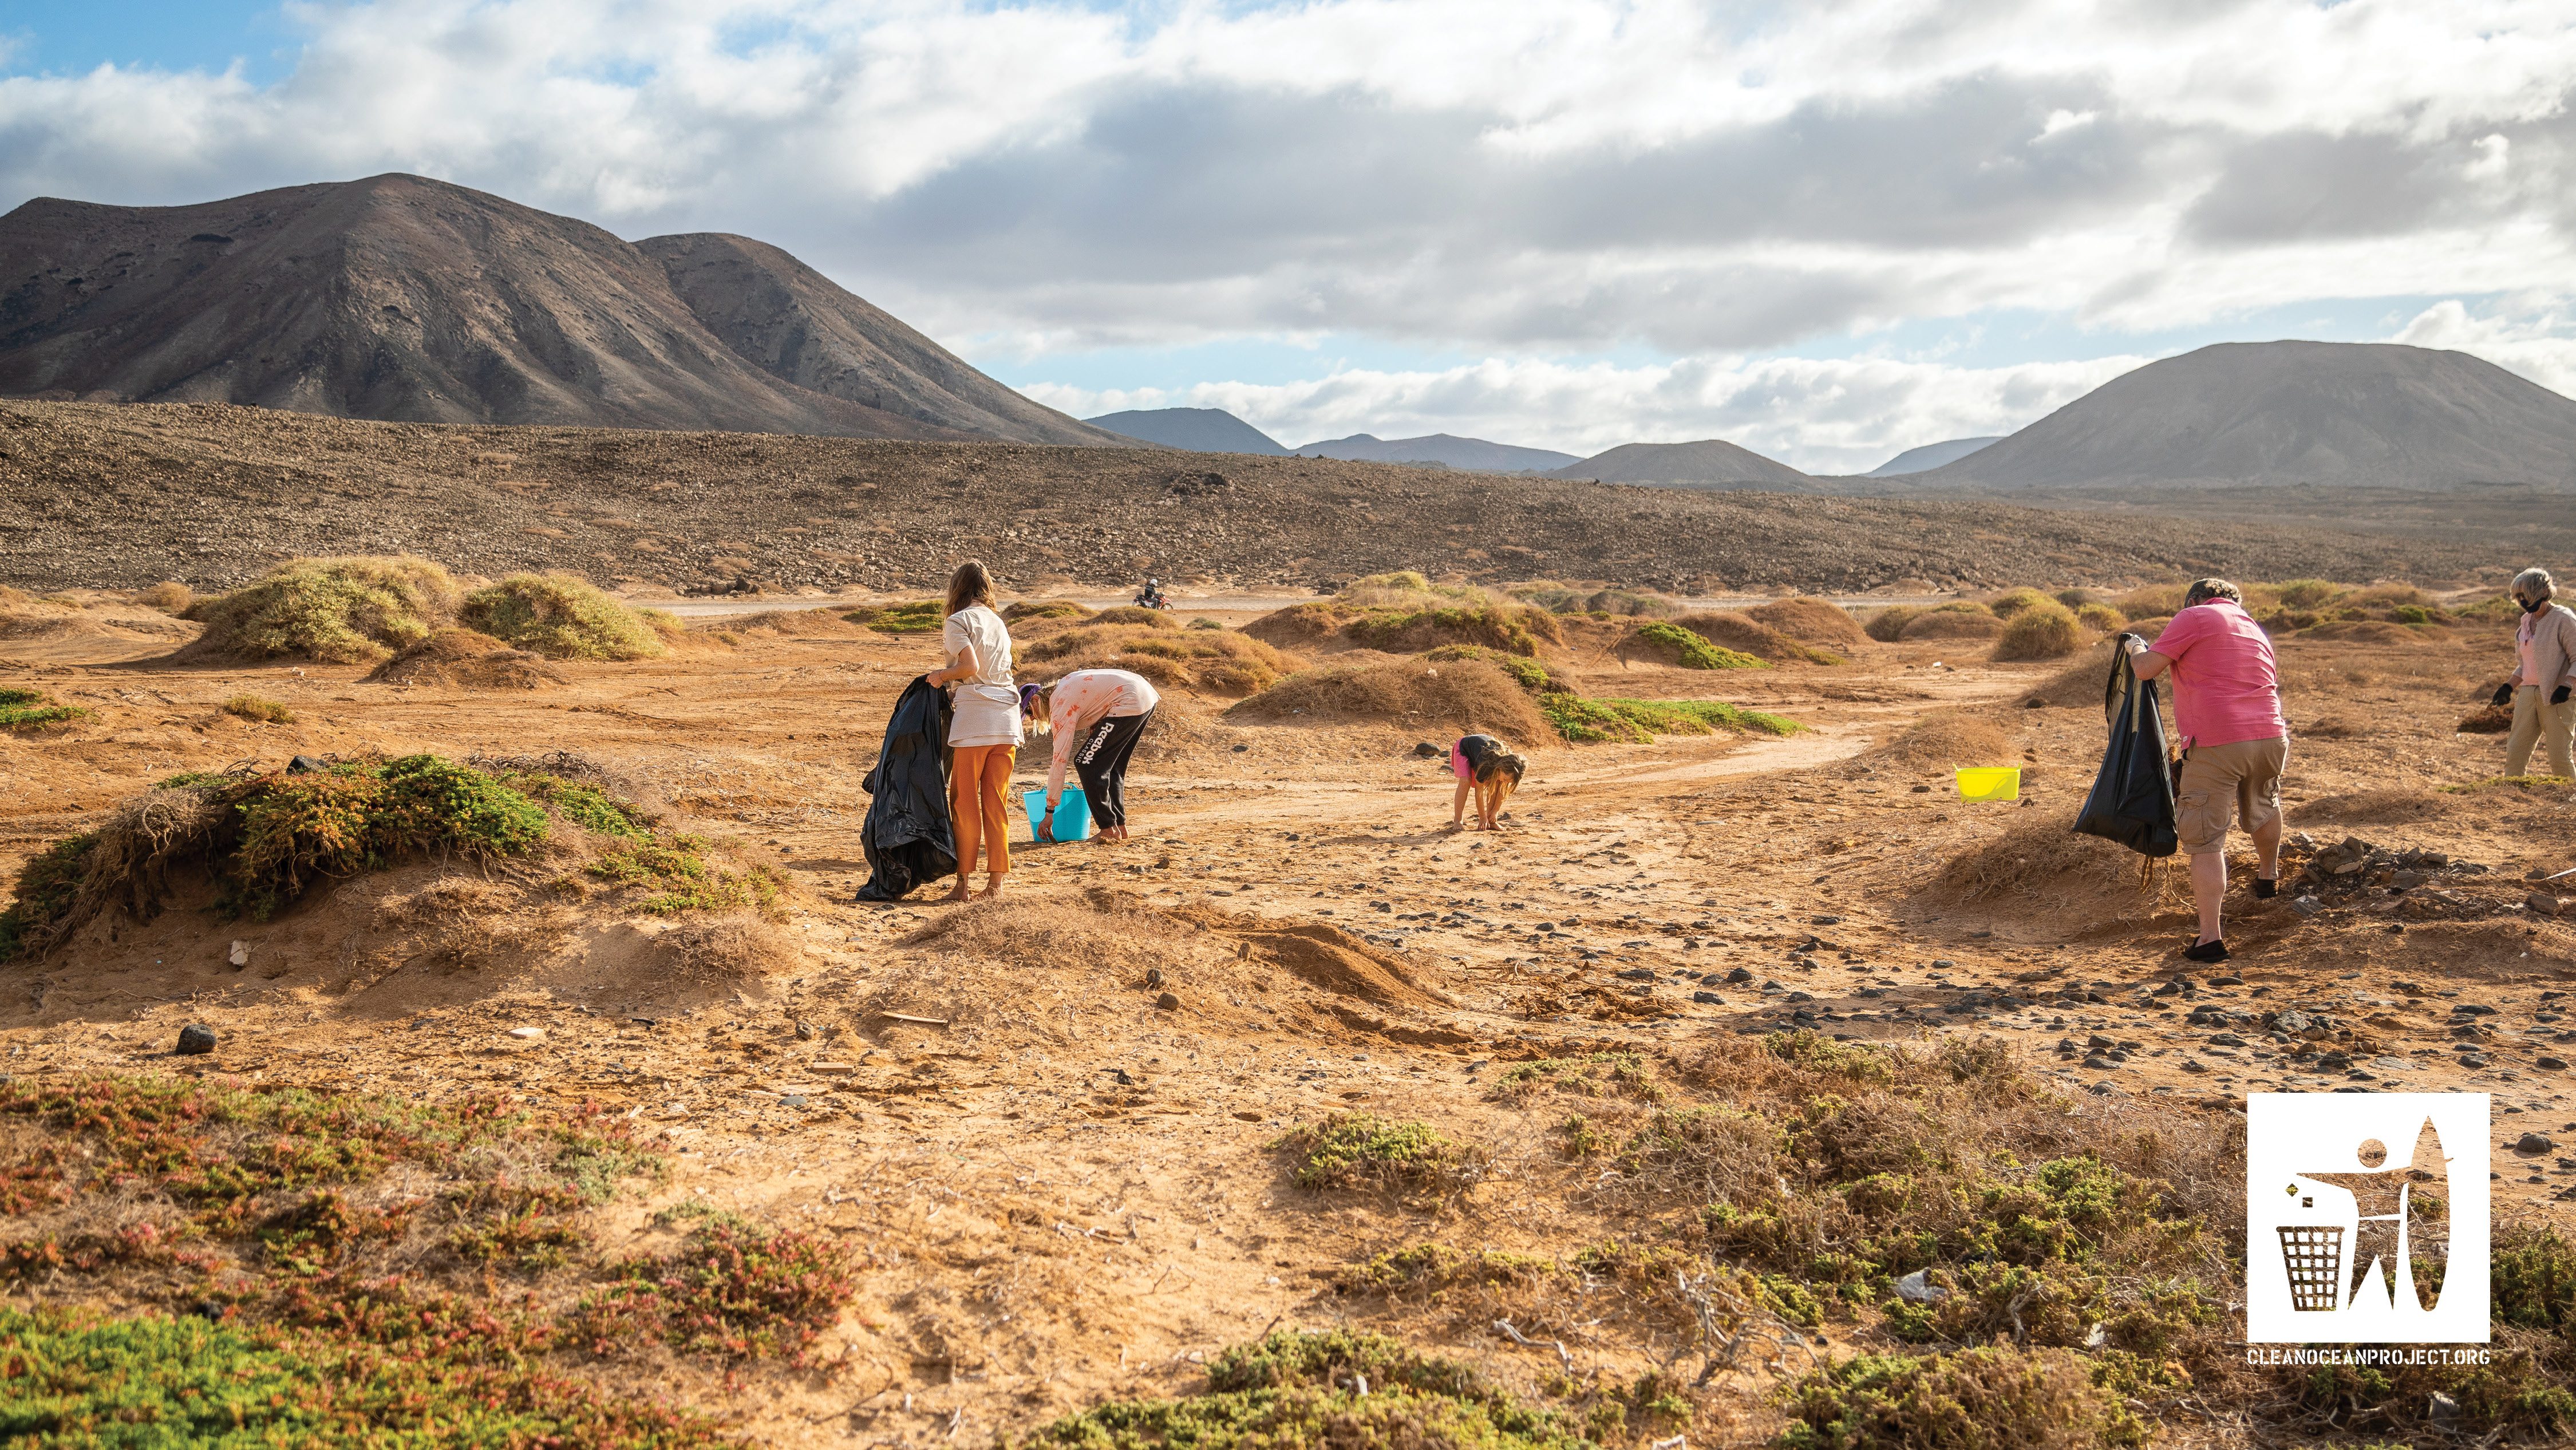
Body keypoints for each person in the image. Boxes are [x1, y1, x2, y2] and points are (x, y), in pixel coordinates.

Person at [2124, 578, 2287, 963]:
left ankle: (2210, 938)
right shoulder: (2254, 628)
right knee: (2264, 803)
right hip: (2271, 734)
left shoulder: (2195, 615)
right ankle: (2268, 878)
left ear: (2195, 599)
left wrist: (2135, 649)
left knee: (2205, 838)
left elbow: (2146, 670)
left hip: (2217, 740)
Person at [924, 561, 1020, 901]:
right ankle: (996, 885)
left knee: (964, 802)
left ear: (956, 589)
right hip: (1007, 720)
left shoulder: (958, 621)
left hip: (976, 723)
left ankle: (963, 885)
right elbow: (994, 671)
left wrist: (940, 676)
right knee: (997, 802)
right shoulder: (998, 622)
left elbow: (969, 668)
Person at [1023, 667, 1161, 841]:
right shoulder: (1064, 685)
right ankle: (1119, 827)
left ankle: (1108, 829)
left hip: (1129, 700)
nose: (1032, 719)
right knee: (1111, 768)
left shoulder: (1059, 706)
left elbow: (1059, 761)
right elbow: (1097, 701)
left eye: (1029, 712)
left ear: (1036, 700)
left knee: (1086, 763)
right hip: (1144, 695)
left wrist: (1050, 812)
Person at [2494, 567, 2576, 779]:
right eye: (2518, 596)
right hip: (2528, 694)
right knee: (2515, 753)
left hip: (2558, 696)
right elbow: (2525, 664)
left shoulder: (2563, 619)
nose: (2522, 601)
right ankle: (2511, 798)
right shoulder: (2525, 622)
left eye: (2526, 596)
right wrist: (2508, 686)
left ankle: (2569, 801)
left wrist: (2567, 686)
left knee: (2559, 758)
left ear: (2543, 594)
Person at [1447, 733, 1527, 831]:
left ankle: (1491, 821)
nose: (1505, 781)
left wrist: (1495, 812)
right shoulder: (1486, 765)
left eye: (1508, 781)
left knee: (1496, 782)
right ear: (1500, 768)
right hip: (1464, 747)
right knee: (1466, 781)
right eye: (1506, 779)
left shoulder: (1507, 769)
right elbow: (1479, 793)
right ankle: (1458, 820)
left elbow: (1503, 790)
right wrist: (1482, 817)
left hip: (1482, 749)